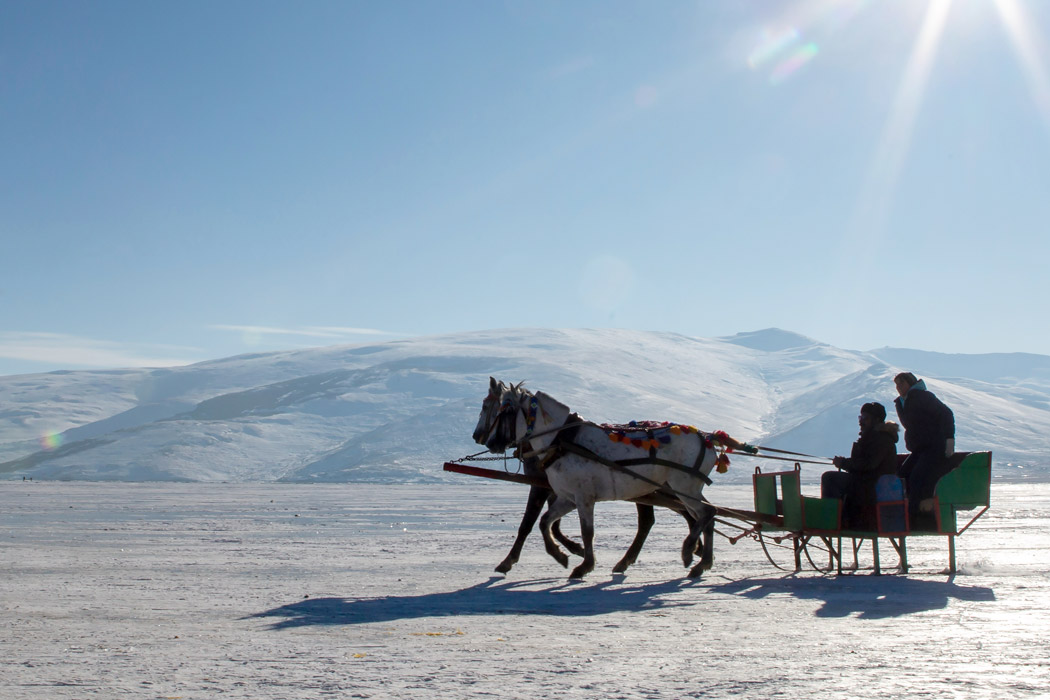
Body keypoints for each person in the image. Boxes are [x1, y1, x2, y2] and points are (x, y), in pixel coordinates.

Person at [822, 401, 899, 529]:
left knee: (829, 478)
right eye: (860, 417)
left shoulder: (882, 439)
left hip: (871, 486)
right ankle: (840, 517)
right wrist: (845, 462)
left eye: (865, 418)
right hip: (865, 483)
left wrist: (844, 463)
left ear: (876, 420)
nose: (861, 421)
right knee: (833, 478)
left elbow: (869, 464)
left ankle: (833, 520)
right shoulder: (872, 437)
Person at [893, 371, 956, 524]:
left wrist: (949, 439)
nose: (899, 387)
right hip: (919, 448)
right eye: (897, 384)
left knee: (916, 477)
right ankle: (907, 512)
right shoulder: (903, 402)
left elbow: (946, 413)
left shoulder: (922, 397)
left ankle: (915, 517)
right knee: (903, 474)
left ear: (911, 383)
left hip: (933, 446)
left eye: (902, 383)